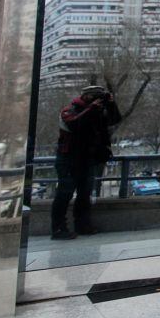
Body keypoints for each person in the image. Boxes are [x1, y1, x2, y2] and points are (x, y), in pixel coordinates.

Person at [50, 79, 122, 239]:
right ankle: (58, 228)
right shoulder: (70, 110)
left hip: (87, 159)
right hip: (68, 159)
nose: (98, 100)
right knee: (64, 194)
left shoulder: (98, 112)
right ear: (87, 97)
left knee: (84, 194)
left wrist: (111, 105)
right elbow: (74, 125)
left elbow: (115, 120)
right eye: (95, 96)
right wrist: (91, 109)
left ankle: (82, 225)